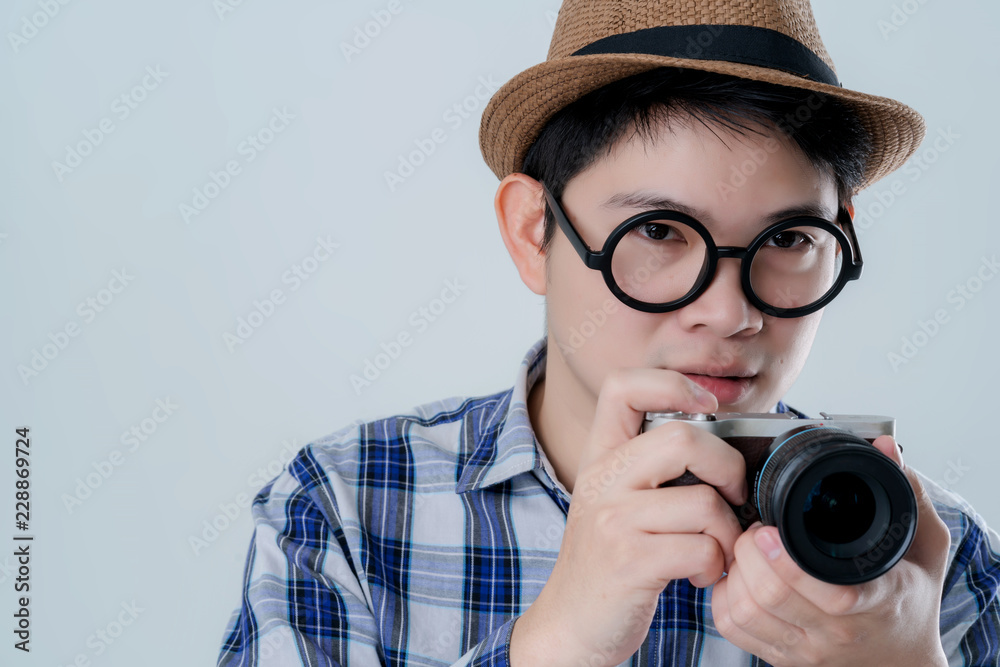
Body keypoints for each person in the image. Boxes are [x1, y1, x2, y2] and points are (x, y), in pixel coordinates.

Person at [217, 0, 1000, 665]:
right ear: (533, 232)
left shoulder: (929, 554)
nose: (730, 313)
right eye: (659, 231)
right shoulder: (347, 507)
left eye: (792, 239)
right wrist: (556, 642)